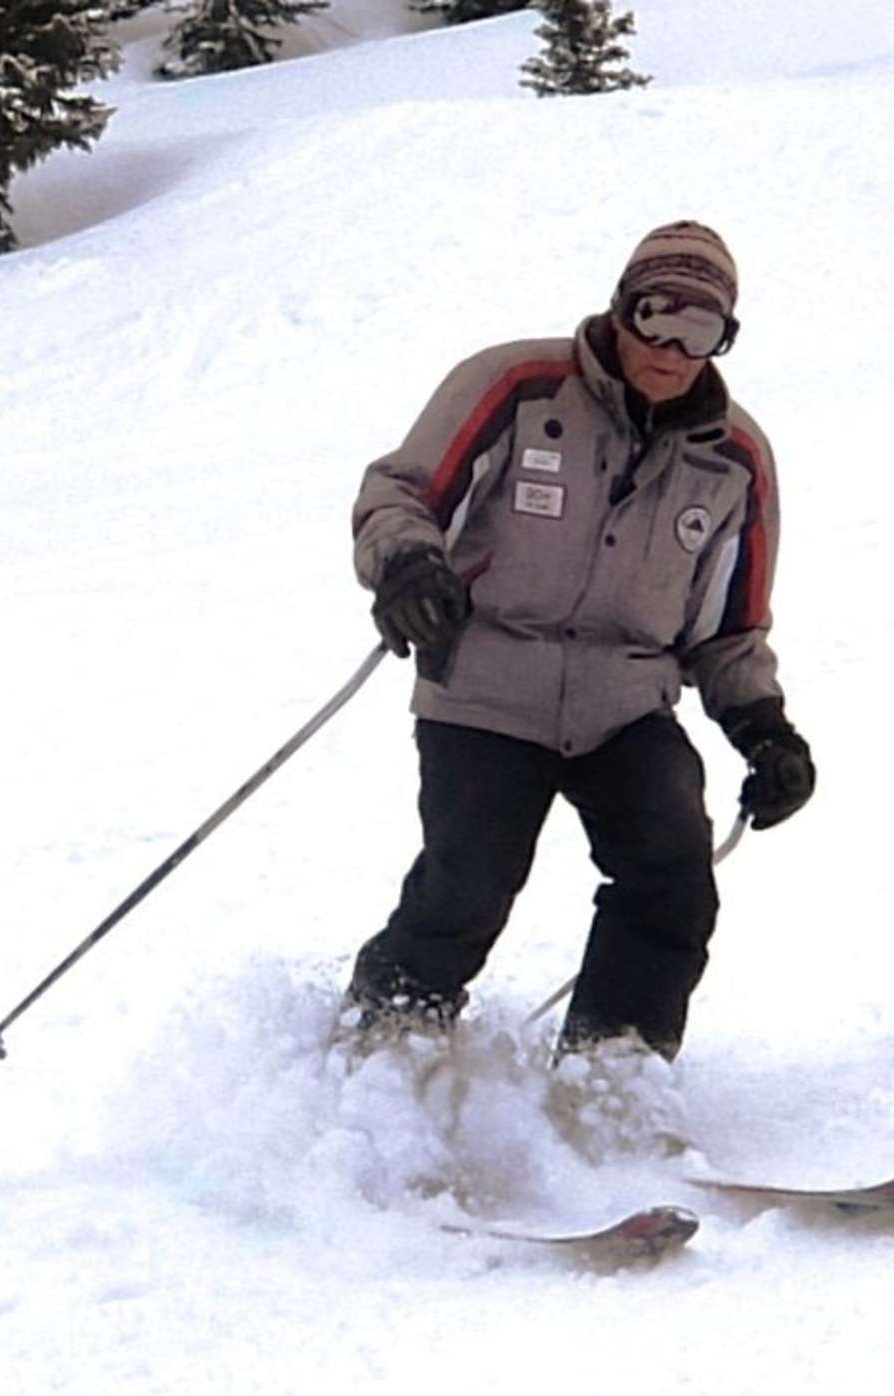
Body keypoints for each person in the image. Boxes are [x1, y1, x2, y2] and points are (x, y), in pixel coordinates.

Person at [343, 221, 815, 1068]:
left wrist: (765, 728)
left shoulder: (736, 457)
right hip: (485, 685)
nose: (672, 348)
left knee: (672, 879)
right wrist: (408, 564)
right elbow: (399, 492)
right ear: (621, 307)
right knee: (468, 884)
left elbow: (731, 624)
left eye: (701, 330)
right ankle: (382, 1058)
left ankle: (609, 1084)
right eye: (656, 315)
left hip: (624, 704)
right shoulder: (516, 385)